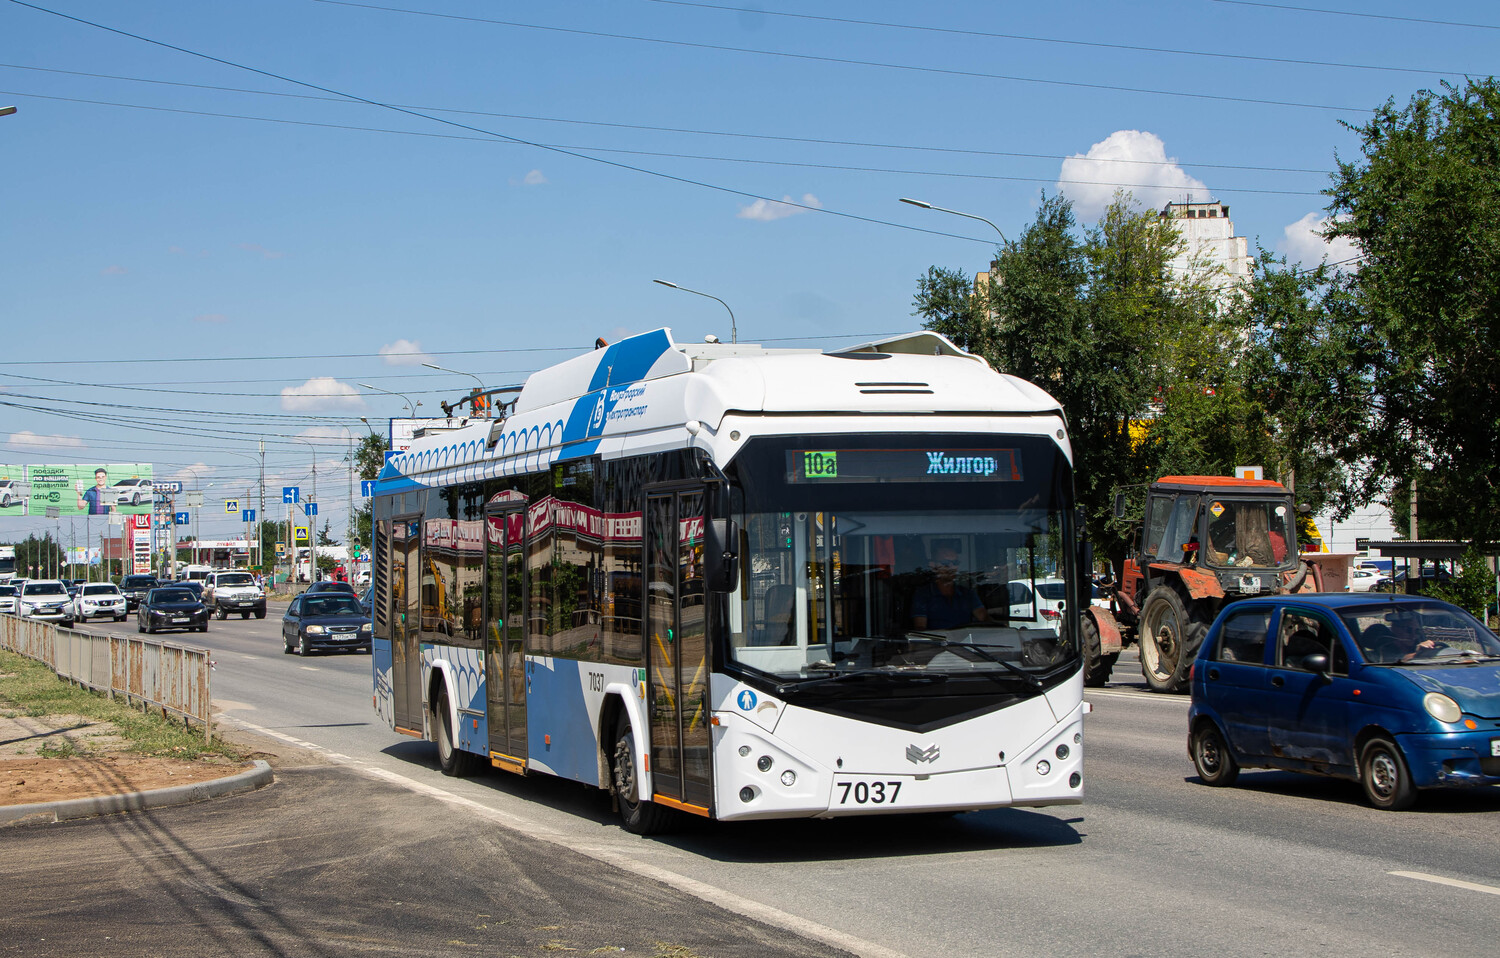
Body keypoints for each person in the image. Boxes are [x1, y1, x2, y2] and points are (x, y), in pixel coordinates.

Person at [911, 542, 988, 630]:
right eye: (945, 563)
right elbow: (920, 629)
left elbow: (984, 618)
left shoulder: (967, 594)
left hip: (966, 642)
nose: (951, 567)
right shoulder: (923, 594)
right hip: (936, 642)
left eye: (955, 562)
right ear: (933, 565)